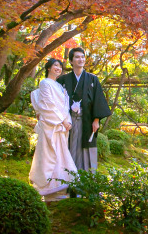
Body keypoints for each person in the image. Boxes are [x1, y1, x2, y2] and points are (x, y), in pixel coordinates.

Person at [29, 58, 77, 201]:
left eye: (60, 66)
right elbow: (48, 104)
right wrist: (62, 120)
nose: (58, 68)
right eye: (55, 65)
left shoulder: (59, 86)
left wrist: (67, 121)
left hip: (61, 125)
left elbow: (64, 107)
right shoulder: (45, 83)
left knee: (60, 155)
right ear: (48, 68)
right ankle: (44, 188)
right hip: (51, 124)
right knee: (48, 154)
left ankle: (56, 189)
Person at [57, 47, 112, 172]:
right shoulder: (63, 80)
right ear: (71, 61)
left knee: (87, 148)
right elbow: (56, 101)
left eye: (82, 57)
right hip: (67, 121)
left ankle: (87, 180)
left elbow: (98, 100)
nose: (80, 59)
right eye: (77, 57)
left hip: (86, 120)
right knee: (68, 147)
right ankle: (68, 179)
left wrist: (96, 120)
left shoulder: (92, 79)